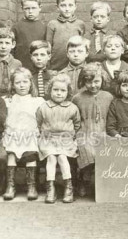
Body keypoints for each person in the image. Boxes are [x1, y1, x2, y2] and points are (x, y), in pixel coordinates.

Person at [36, 74, 81, 204]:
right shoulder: (43, 107)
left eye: (63, 90)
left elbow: (77, 125)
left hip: (65, 140)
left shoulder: (72, 108)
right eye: (55, 90)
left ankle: (68, 187)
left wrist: (71, 137)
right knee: (51, 157)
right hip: (48, 139)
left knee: (62, 156)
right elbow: (38, 124)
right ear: (50, 90)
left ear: (68, 92)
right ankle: (50, 188)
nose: (59, 93)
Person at [2, 68, 45, 201]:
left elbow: (42, 119)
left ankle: (31, 186)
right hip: (13, 134)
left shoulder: (38, 100)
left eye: (25, 82)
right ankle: (11, 186)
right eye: (18, 82)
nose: (22, 85)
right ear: (12, 85)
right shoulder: (8, 100)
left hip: (30, 134)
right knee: (11, 154)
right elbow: (5, 119)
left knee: (31, 155)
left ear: (31, 83)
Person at [72, 63, 114, 197]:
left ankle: (104, 183)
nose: (93, 85)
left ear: (102, 79)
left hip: (104, 131)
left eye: (96, 81)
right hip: (84, 132)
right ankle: (84, 179)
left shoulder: (108, 97)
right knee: (85, 147)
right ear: (83, 81)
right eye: (88, 82)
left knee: (105, 146)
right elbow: (74, 120)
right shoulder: (77, 98)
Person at [46, 0, 85, 71]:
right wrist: (48, 66)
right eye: (63, 5)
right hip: (56, 66)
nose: (67, 9)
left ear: (75, 6)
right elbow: (48, 46)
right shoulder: (52, 24)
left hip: (75, 66)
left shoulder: (80, 24)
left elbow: (82, 46)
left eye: (70, 5)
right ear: (57, 7)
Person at [12, 0, 47, 72]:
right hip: (21, 68)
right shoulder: (16, 27)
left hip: (39, 68)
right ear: (22, 9)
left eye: (33, 8)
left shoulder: (44, 27)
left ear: (40, 8)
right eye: (27, 8)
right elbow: (11, 49)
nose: (30, 11)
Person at [0, 27, 22, 97]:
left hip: (11, 97)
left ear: (13, 44)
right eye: (0, 42)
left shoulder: (17, 64)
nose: (3, 46)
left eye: (7, 43)